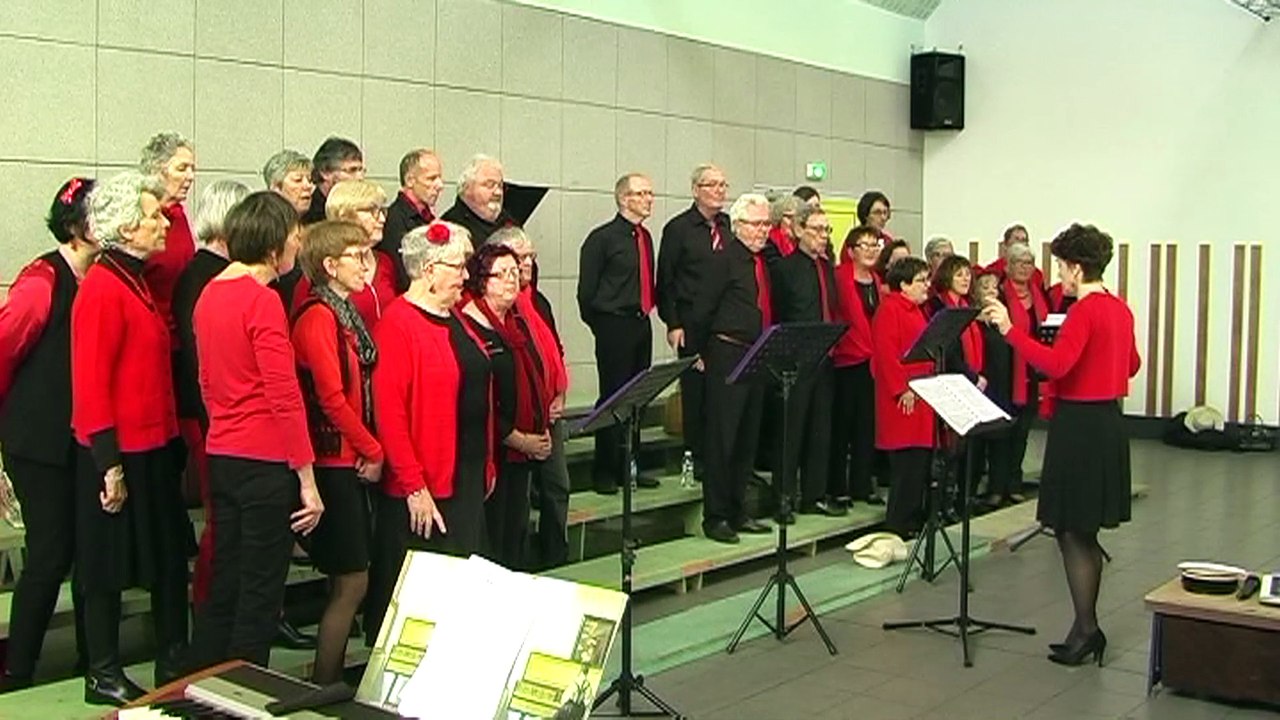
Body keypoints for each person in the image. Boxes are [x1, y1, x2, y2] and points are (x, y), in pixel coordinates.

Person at [982, 223, 1140, 667]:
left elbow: (1056, 365)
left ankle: (1088, 629)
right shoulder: (1120, 308)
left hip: (1079, 426)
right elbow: (1131, 364)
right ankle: (1083, 627)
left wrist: (1011, 329)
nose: (1060, 277)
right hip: (1108, 420)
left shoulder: (1084, 312)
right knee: (1083, 529)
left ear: (1074, 267)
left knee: (1071, 529)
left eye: (1061, 268)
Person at [189, 191, 323, 671]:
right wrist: (307, 479)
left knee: (226, 578)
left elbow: (205, 380)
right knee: (260, 589)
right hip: (265, 459)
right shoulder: (261, 300)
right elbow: (284, 394)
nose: (297, 244)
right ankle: (245, 689)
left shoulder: (210, 292)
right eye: (293, 236)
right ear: (273, 247)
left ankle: (204, 681)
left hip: (223, 452)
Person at [71, 171, 190, 704]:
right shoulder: (102, 287)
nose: (162, 220)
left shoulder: (134, 278)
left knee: (166, 558)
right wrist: (108, 463)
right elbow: (91, 383)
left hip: (154, 442)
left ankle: (173, 657)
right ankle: (102, 672)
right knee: (107, 563)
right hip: (118, 450)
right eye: (150, 215)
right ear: (124, 227)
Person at [365, 221, 494, 645]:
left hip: (467, 475)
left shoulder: (455, 316)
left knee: (460, 588)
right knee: (423, 598)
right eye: (457, 266)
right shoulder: (399, 325)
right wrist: (413, 486)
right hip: (427, 484)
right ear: (427, 269)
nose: (464, 275)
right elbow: (390, 414)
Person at [0, 178, 97, 693]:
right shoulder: (41, 282)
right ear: (79, 227)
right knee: (49, 554)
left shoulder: (101, 276)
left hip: (81, 437)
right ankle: (18, 670)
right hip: (38, 440)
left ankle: (92, 661)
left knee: (88, 552)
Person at [290, 220, 383, 684]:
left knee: (347, 579)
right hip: (330, 460)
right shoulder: (317, 316)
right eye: (357, 256)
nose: (367, 265)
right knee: (352, 580)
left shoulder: (346, 311)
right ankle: (325, 682)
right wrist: (372, 447)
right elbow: (330, 396)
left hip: (349, 456)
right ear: (330, 265)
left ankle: (330, 678)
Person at [172, 179, 249, 610]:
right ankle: (210, 607)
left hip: (220, 418)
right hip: (211, 419)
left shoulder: (215, 274)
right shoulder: (202, 277)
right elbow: (202, 360)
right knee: (222, 520)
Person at [685, 193, 775, 544]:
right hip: (727, 351)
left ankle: (739, 509)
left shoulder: (761, 261)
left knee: (747, 435)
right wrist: (698, 351)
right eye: (755, 224)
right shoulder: (722, 260)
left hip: (757, 353)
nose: (762, 230)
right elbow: (700, 309)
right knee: (723, 437)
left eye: (766, 223)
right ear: (737, 225)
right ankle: (716, 515)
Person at [461, 244, 552, 570]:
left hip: (522, 451)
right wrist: (516, 438)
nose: (512, 281)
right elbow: (477, 399)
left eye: (516, 273)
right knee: (495, 541)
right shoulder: (470, 326)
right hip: (494, 451)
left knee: (515, 535)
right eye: (502, 275)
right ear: (481, 280)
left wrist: (540, 427)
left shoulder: (516, 323)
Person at [490, 227, 575, 567]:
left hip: (549, 411)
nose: (527, 264)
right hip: (518, 423)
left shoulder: (537, 301)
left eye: (530, 257)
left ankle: (558, 556)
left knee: (558, 487)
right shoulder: (503, 309)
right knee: (518, 507)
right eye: (518, 258)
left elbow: (555, 351)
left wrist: (560, 395)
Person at [576, 173, 657, 495]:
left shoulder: (645, 237)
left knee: (638, 397)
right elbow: (586, 293)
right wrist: (602, 325)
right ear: (624, 198)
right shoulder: (602, 239)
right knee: (613, 396)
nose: (649, 198)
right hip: (614, 323)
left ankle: (630, 466)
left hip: (640, 322)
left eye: (650, 193)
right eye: (642, 193)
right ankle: (605, 469)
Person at [656, 164, 732, 483]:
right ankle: (696, 456)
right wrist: (673, 323)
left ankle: (721, 455)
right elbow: (666, 281)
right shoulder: (678, 229)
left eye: (723, 185)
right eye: (711, 185)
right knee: (696, 392)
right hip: (690, 321)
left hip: (725, 323)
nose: (718, 190)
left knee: (723, 392)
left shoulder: (728, 226)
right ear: (695, 189)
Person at [769, 203, 843, 517]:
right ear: (799, 230)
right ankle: (783, 497)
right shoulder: (785, 268)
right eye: (816, 230)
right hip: (795, 360)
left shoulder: (827, 267)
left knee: (820, 429)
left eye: (826, 230)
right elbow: (779, 314)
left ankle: (814, 495)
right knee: (790, 431)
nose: (823, 236)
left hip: (825, 358)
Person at [871, 256, 935, 537]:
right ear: (904, 284)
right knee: (905, 465)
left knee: (919, 462)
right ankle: (897, 523)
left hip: (921, 395)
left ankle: (912, 519)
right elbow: (886, 355)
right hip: (903, 399)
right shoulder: (890, 310)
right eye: (921, 280)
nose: (927, 285)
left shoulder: (918, 311)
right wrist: (902, 389)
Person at [830, 225, 886, 509]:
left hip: (871, 360)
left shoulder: (876, 279)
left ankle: (863, 484)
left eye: (875, 244)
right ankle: (838, 487)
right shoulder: (839, 276)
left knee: (867, 426)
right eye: (864, 245)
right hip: (846, 359)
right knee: (843, 426)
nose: (871, 249)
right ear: (850, 251)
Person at [988, 242, 1048, 505]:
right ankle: (995, 486)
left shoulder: (1039, 295)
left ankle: (1014, 482)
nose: (1025, 268)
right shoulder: (998, 295)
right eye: (1020, 262)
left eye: (1029, 263)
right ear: (1008, 266)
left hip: (1030, 373)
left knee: (1022, 431)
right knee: (1002, 432)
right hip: (1004, 372)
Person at [139, 132, 197, 349]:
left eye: (192, 169)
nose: (190, 176)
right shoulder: (140, 220)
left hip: (181, 338)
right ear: (156, 171)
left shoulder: (179, 215)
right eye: (182, 168)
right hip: (151, 339)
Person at [383, 149, 444, 292]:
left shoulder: (428, 218)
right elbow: (404, 276)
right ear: (410, 180)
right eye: (431, 178)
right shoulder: (394, 221)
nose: (440, 185)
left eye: (440, 178)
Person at [441, 154, 517, 244]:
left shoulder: (508, 222)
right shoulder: (451, 227)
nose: (498, 192)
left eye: (500, 186)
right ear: (467, 188)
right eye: (490, 185)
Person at [304, 137, 365, 225]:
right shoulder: (312, 216)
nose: (360, 177)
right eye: (352, 170)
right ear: (325, 172)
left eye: (361, 170)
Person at [986, 223, 1046, 288]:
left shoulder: (1036, 274)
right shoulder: (993, 270)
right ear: (1005, 245)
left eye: (1023, 240)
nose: (1020, 243)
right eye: (1016, 239)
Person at [263, 149, 315, 217]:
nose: (308, 186)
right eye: (298, 180)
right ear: (276, 188)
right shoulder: (262, 224)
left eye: (310, 180)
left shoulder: (317, 222)